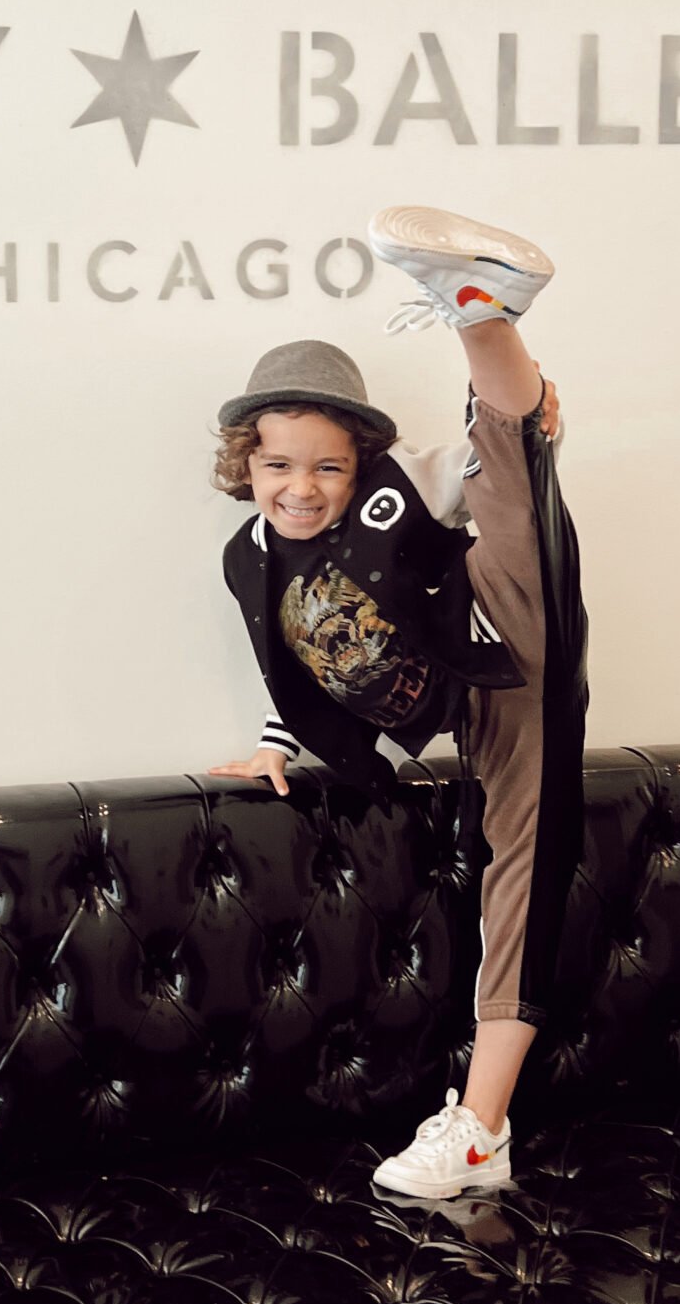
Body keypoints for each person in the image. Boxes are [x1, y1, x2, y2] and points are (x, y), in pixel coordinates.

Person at [208, 204, 588, 1199]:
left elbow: (498, 453)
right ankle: (476, 304)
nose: (301, 486)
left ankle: (477, 305)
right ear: (245, 462)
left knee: (509, 455)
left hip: (512, 635)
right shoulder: (248, 558)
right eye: (278, 464)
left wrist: (529, 413)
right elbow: (290, 658)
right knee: (511, 447)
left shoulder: (402, 485)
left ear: (358, 462)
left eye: (327, 465)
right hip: (461, 704)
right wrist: (275, 743)